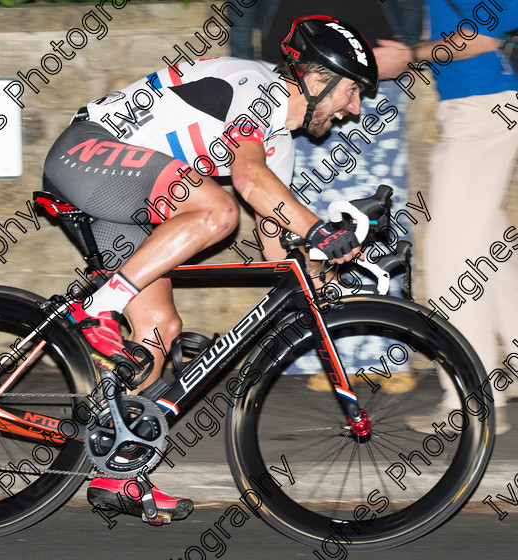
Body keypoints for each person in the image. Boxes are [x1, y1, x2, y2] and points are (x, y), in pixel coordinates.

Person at [43, 16, 376, 523]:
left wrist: (325, 270)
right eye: (351, 90)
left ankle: (117, 476)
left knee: (158, 331)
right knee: (218, 211)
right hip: (86, 153)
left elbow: (275, 233)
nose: (355, 108)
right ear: (314, 78)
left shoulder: (278, 144)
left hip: (122, 202)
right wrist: (318, 228)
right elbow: (247, 178)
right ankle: (96, 308)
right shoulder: (258, 86)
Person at [376, 0, 518, 434]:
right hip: (476, 107)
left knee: (452, 258)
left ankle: (471, 400)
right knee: (485, 245)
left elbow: (485, 34)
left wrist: (412, 55)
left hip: (485, 109)